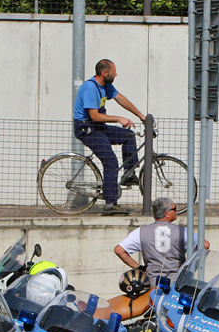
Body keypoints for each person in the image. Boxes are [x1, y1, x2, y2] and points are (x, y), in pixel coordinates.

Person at [74, 59, 147, 216]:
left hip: (98, 127)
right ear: (104, 73)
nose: (116, 74)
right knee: (111, 161)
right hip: (86, 128)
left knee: (128, 135)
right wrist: (119, 118)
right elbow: (94, 116)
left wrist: (141, 115)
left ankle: (129, 174)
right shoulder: (89, 88)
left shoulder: (106, 86)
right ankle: (109, 204)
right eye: (114, 71)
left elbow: (121, 99)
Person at [113, 197, 209, 281]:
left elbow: (119, 250)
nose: (176, 211)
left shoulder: (140, 232)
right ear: (167, 213)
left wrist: (139, 268)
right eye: (174, 209)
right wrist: (190, 265)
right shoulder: (182, 231)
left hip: (152, 280)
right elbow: (205, 245)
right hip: (176, 280)